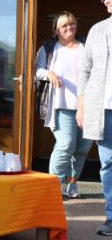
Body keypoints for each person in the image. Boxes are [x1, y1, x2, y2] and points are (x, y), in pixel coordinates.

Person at [35, 11, 91, 198]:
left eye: (72, 24)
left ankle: (72, 183)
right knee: (66, 145)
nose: (69, 28)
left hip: (87, 105)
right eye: (64, 25)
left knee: (82, 148)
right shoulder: (49, 48)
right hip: (62, 105)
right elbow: (37, 71)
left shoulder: (85, 46)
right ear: (57, 29)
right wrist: (49, 74)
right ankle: (53, 187)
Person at [78, 0, 112, 236]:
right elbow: (85, 71)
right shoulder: (97, 30)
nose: (108, 1)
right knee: (108, 162)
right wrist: (81, 106)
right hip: (102, 109)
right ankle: (111, 217)